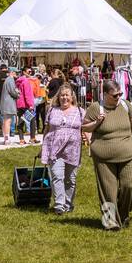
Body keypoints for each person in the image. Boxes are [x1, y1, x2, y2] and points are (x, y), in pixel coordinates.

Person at [83, 78, 132, 231]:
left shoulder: (125, 105)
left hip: (128, 154)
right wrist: (97, 122)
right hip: (103, 156)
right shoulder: (95, 108)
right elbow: (84, 127)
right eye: (115, 95)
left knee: (131, 184)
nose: (118, 97)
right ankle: (109, 222)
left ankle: (123, 215)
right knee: (108, 191)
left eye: (120, 94)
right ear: (105, 94)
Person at [41, 84, 84, 214]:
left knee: (70, 179)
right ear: (58, 97)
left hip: (73, 150)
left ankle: (68, 204)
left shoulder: (80, 111)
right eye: (62, 95)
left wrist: (91, 143)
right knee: (57, 176)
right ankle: (59, 205)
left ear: (72, 97)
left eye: (67, 95)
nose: (64, 97)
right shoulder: (52, 110)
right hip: (54, 149)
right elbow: (46, 129)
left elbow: (87, 130)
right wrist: (42, 147)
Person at [0, 66, 19, 146]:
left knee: (6, 120)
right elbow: (12, 92)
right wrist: (18, 94)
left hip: (6, 102)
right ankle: (7, 139)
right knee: (8, 120)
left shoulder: (8, 80)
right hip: (8, 103)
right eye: (16, 72)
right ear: (12, 72)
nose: (17, 74)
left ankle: (6, 138)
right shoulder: (10, 80)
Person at [16, 67, 36, 145]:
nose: (30, 73)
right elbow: (27, 94)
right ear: (24, 72)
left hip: (19, 104)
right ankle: (32, 138)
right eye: (29, 71)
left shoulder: (18, 81)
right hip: (26, 104)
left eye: (31, 71)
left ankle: (21, 139)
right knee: (32, 121)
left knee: (21, 122)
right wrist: (31, 105)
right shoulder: (26, 81)